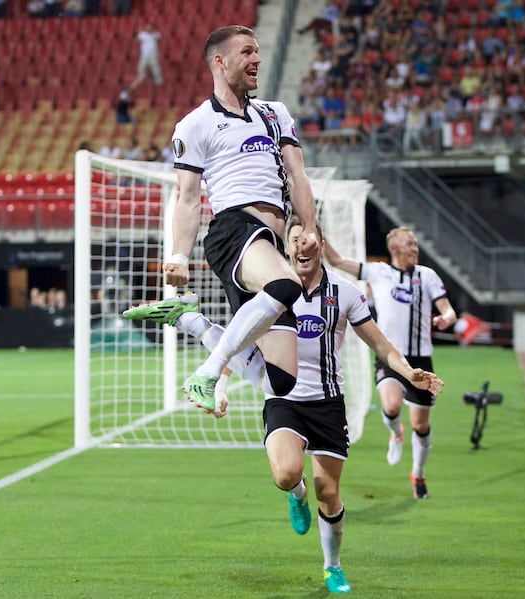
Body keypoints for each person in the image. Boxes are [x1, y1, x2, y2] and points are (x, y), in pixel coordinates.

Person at [122, 217, 444, 594]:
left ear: (321, 245)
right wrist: (220, 385)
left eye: (309, 239)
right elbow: (241, 342)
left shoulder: (345, 293)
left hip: (327, 404)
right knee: (286, 475)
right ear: (285, 249)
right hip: (283, 401)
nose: (301, 246)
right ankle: (296, 494)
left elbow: (381, 344)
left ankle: (332, 566)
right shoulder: (271, 294)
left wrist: (409, 371)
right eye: (293, 241)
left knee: (329, 493)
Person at [165, 25, 319, 415]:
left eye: (257, 52)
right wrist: (179, 257)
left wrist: (311, 228)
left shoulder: (274, 113)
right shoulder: (194, 124)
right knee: (287, 285)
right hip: (233, 232)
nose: (257, 60)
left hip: (272, 242)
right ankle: (209, 370)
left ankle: (194, 324)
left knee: (280, 381)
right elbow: (186, 198)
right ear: (220, 61)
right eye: (247, 52)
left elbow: (298, 175)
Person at [324, 226, 457, 499]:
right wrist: (317, 233)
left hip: (421, 358)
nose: (415, 248)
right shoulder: (378, 272)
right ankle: (396, 434)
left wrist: (448, 318)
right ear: (394, 248)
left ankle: (418, 474)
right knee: (391, 405)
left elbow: (448, 308)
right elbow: (337, 261)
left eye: (416, 243)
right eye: (409, 243)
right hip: (390, 356)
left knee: (421, 426)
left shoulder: (427, 276)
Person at [132, 23, 163, 88]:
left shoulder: (156, 34)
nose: (148, 28)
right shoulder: (142, 34)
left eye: (150, 27)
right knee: (141, 70)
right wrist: (138, 32)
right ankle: (141, 79)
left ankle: (159, 84)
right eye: (147, 27)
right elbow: (137, 40)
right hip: (144, 56)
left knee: (156, 70)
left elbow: (159, 39)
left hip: (153, 56)